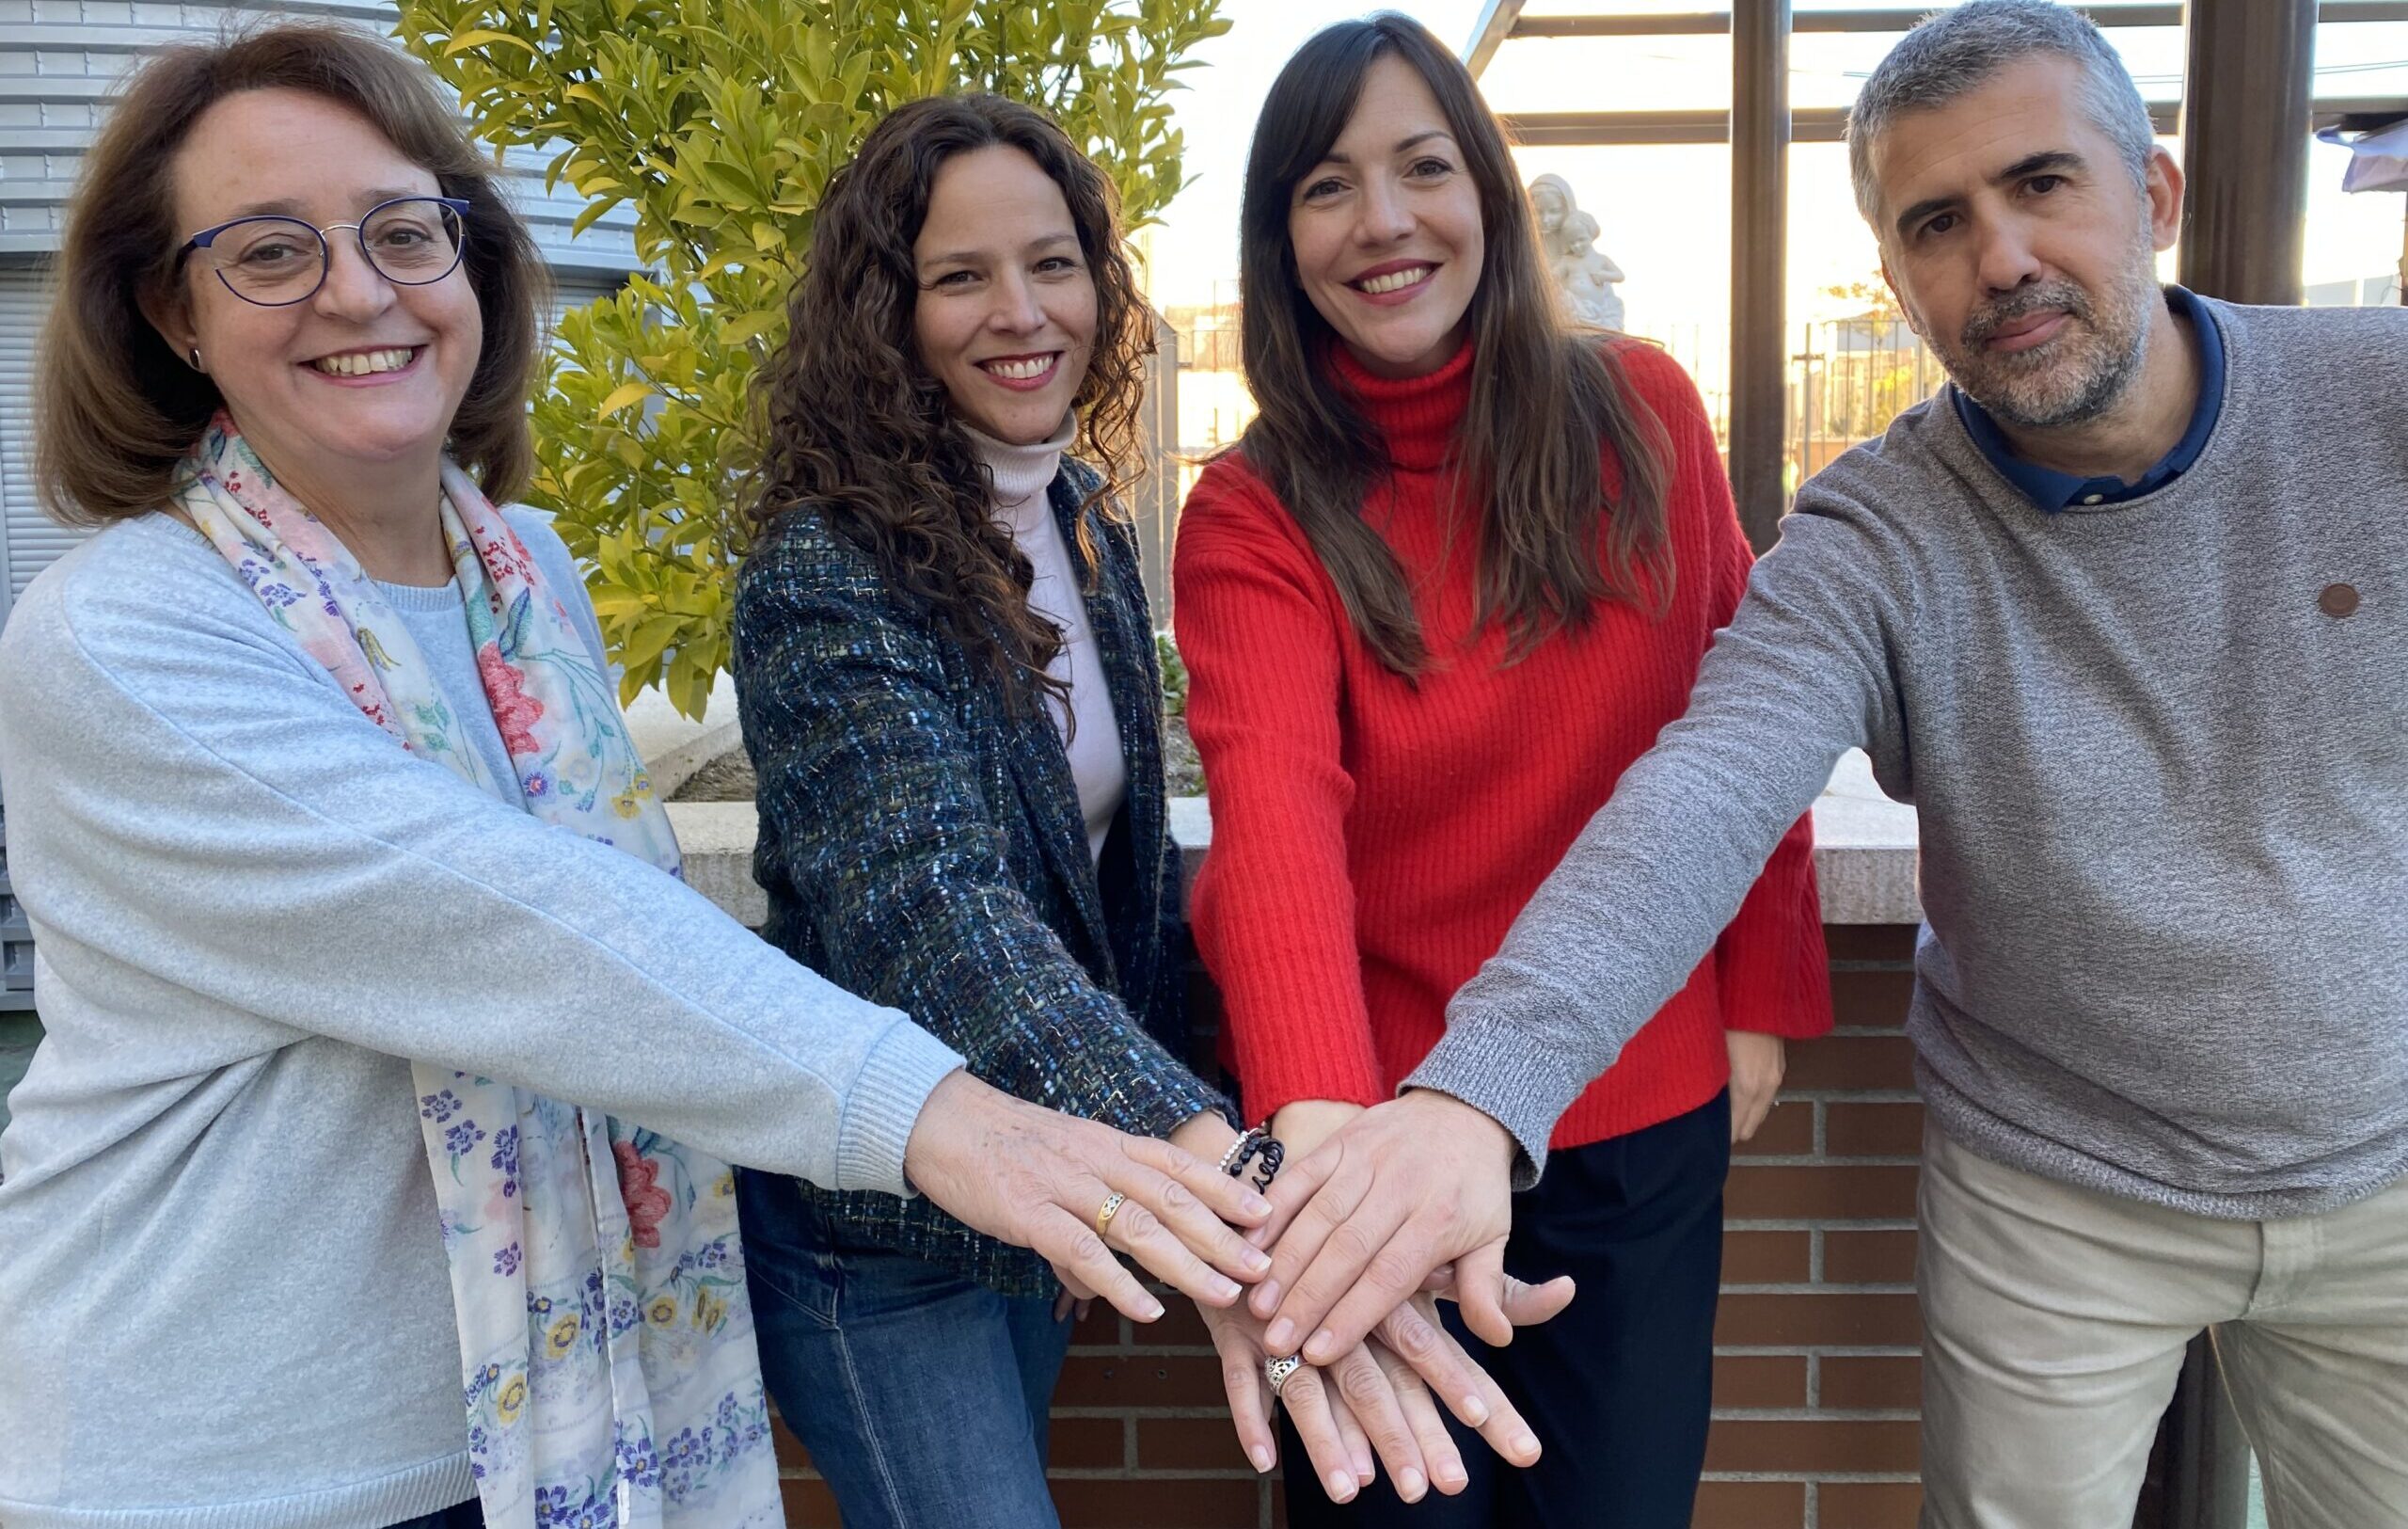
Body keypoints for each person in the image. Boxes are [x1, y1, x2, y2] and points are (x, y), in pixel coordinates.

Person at [0, 29, 1279, 1529]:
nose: (358, 290)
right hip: (236, 1464)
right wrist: (997, 1128)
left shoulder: (521, 577)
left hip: (561, 1412)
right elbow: (523, 931)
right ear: (172, 311)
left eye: (405, 233)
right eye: (270, 252)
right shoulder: (124, 632)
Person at [1229, 5, 2408, 1527]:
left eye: (2044, 184)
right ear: (1894, 271)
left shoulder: (2375, 402)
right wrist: (1416, 1114)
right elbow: (1704, 778)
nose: (2000, 257)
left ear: (2156, 193)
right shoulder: (1877, 530)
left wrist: (1762, 994)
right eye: (1938, 221)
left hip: (2376, 1161)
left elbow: (1682, 713)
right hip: (2030, 1183)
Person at [730, 92, 1551, 1528]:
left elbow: (1125, 881)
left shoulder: (1082, 517)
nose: (1020, 311)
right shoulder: (828, 568)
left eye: (1053, 263)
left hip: (1054, 1201)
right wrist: (1212, 1167)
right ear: (886, 308)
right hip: (878, 1229)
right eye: (959, 276)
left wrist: (1252, 1167)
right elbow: (939, 913)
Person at [1170, 17, 1830, 1526]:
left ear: (1489, 192)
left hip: (1641, 1105)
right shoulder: (1254, 507)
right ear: (1283, 237)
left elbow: (1743, 722)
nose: (1386, 221)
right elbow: (1272, 828)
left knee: (1623, 1504)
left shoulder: (1642, 412)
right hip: (1381, 1129)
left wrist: (1764, 985)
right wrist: (1330, 1150)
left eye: (1424, 167)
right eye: (1329, 187)